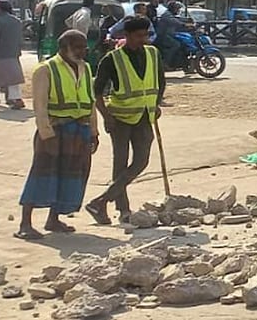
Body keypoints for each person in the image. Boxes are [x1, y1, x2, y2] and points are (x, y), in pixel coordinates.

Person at [16, 30, 99, 240]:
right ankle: (25, 224)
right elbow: (40, 105)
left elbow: (90, 102)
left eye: (84, 47)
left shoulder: (85, 67)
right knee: (42, 173)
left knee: (71, 175)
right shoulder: (46, 69)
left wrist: (93, 131)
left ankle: (53, 219)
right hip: (56, 129)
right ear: (63, 48)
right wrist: (47, 134)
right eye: (77, 47)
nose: (82, 51)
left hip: (79, 130)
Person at [84, 16, 164, 224]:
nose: (143, 40)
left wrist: (156, 104)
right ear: (126, 36)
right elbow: (96, 92)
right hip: (119, 119)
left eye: (145, 35)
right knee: (120, 164)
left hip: (145, 117)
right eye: (138, 36)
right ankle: (123, 210)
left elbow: (160, 82)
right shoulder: (112, 59)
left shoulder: (153, 54)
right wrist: (106, 117)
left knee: (141, 161)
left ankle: (100, 201)